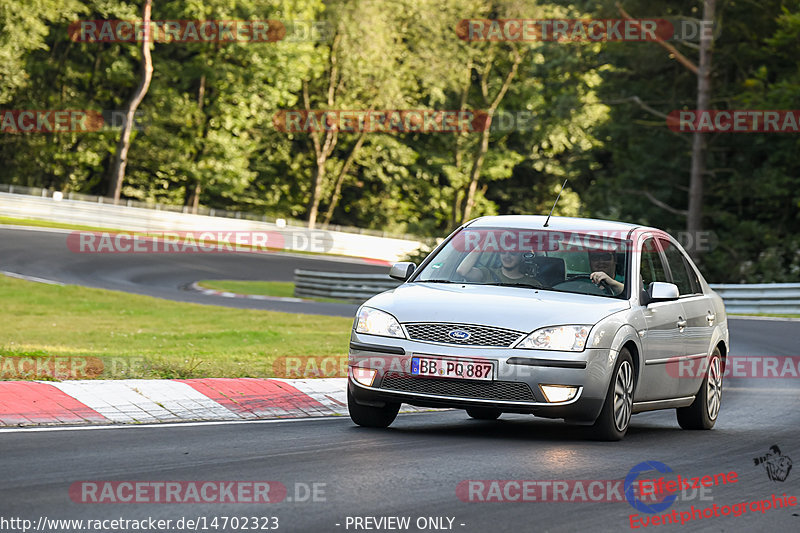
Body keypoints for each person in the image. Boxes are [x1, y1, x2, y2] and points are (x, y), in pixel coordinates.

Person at [456, 248, 543, 287]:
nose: (507, 256)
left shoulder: (532, 284)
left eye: (513, 253)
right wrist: (483, 243)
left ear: (522, 257)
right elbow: (462, 271)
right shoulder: (487, 273)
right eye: (503, 252)